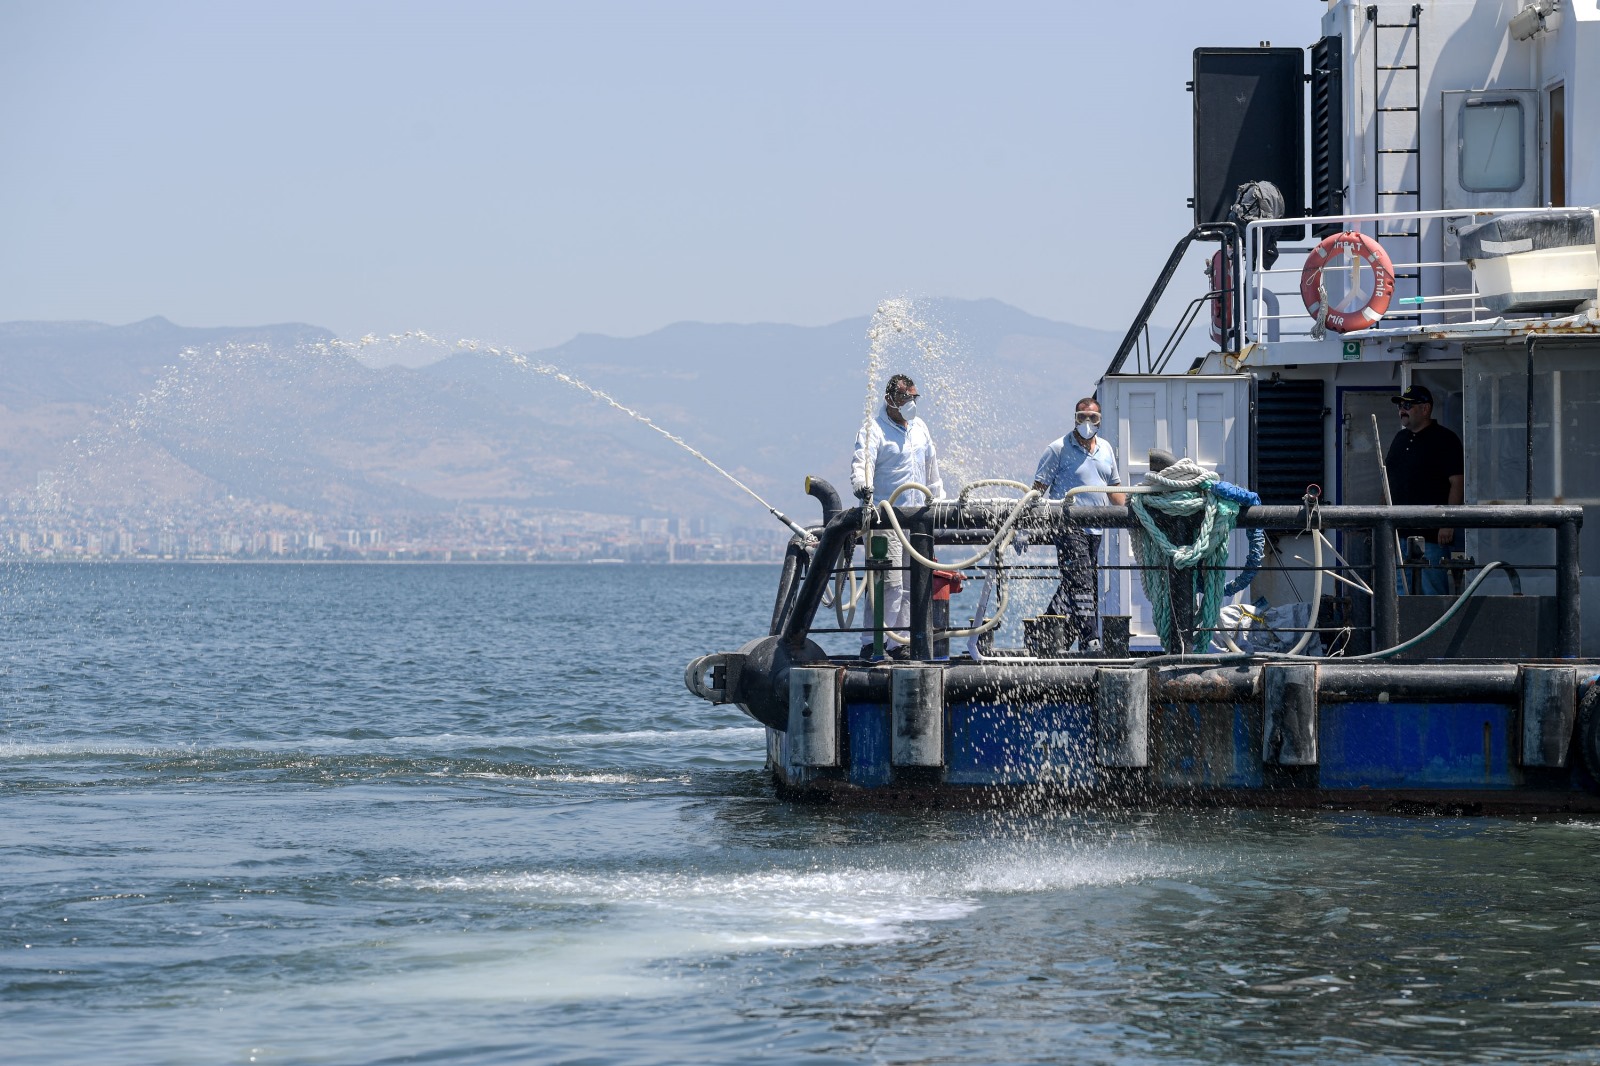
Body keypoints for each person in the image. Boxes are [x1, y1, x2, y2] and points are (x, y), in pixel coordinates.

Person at [850, 374, 945, 658]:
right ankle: (872, 642)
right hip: (886, 518)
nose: (910, 403)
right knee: (887, 583)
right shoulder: (874, 429)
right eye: (905, 398)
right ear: (890, 399)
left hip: (917, 521)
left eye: (914, 398)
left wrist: (939, 504)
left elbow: (932, 469)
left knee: (910, 585)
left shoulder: (920, 429)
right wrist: (862, 486)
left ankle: (899, 643)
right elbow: (862, 463)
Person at [1031, 397, 1127, 651]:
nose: (1087, 422)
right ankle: (1090, 639)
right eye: (1081, 417)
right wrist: (1024, 525)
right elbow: (1036, 491)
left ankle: (1046, 638)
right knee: (1082, 582)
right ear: (1074, 418)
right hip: (1067, 527)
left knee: (1076, 583)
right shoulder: (1058, 449)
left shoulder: (1106, 449)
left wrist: (1134, 511)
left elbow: (1115, 490)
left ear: (1100, 421)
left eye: (1092, 418)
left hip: (1095, 529)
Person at [1385, 384, 1464, 595]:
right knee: (1398, 593)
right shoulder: (1399, 439)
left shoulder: (1445, 439)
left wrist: (1448, 522)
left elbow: (1458, 482)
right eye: (1400, 405)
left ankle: (1437, 628)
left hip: (1432, 534)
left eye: (1408, 405)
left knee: (1433, 592)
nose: (1402, 409)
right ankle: (1401, 629)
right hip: (1399, 532)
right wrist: (1383, 519)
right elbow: (1388, 481)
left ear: (1425, 408)